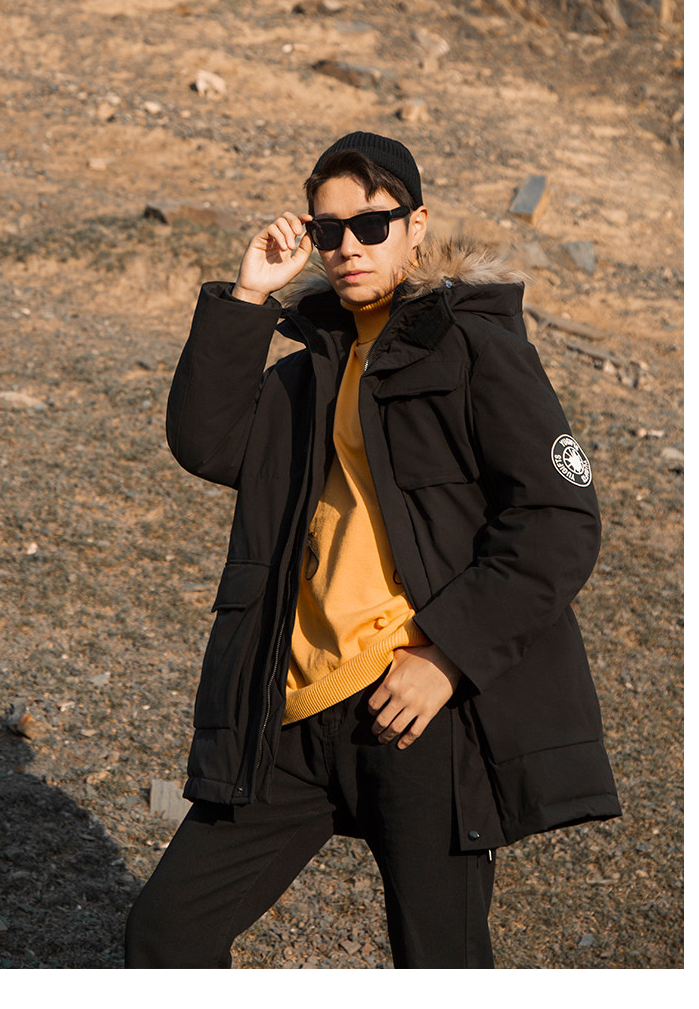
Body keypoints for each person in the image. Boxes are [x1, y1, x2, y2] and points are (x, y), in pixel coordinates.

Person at [125, 131, 621, 969]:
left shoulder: (477, 348)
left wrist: (447, 657)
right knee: (166, 935)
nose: (348, 247)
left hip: (417, 713)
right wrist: (249, 296)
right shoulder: (313, 365)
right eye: (328, 231)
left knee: (439, 964)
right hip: (293, 708)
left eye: (371, 224)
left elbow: (558, 518)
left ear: (416, 225)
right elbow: (208, 443)